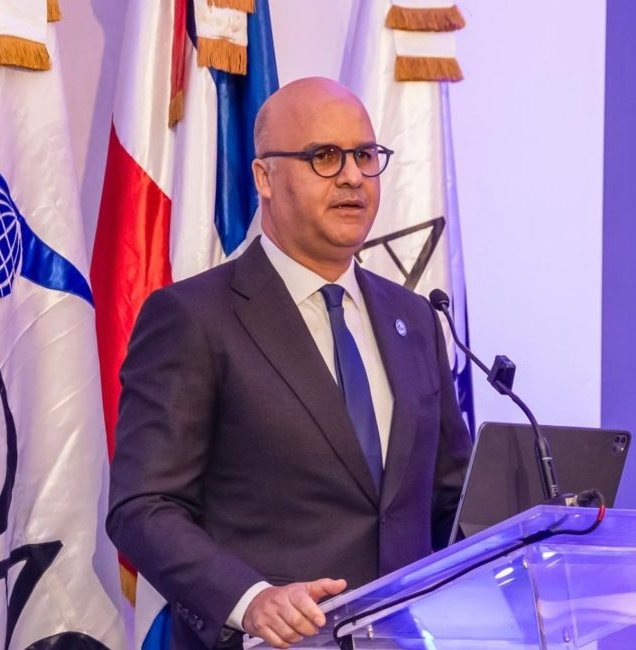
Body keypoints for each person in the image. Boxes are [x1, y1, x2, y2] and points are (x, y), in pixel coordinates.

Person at [106, 77, 472, 650]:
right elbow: (143, 507)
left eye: (365, 155)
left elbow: (450, 496)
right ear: (264, 177)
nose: (352, 177)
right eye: (324, 156)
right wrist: (250, 600)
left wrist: (552, 529)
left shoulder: (416, 318)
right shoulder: (193, 317)